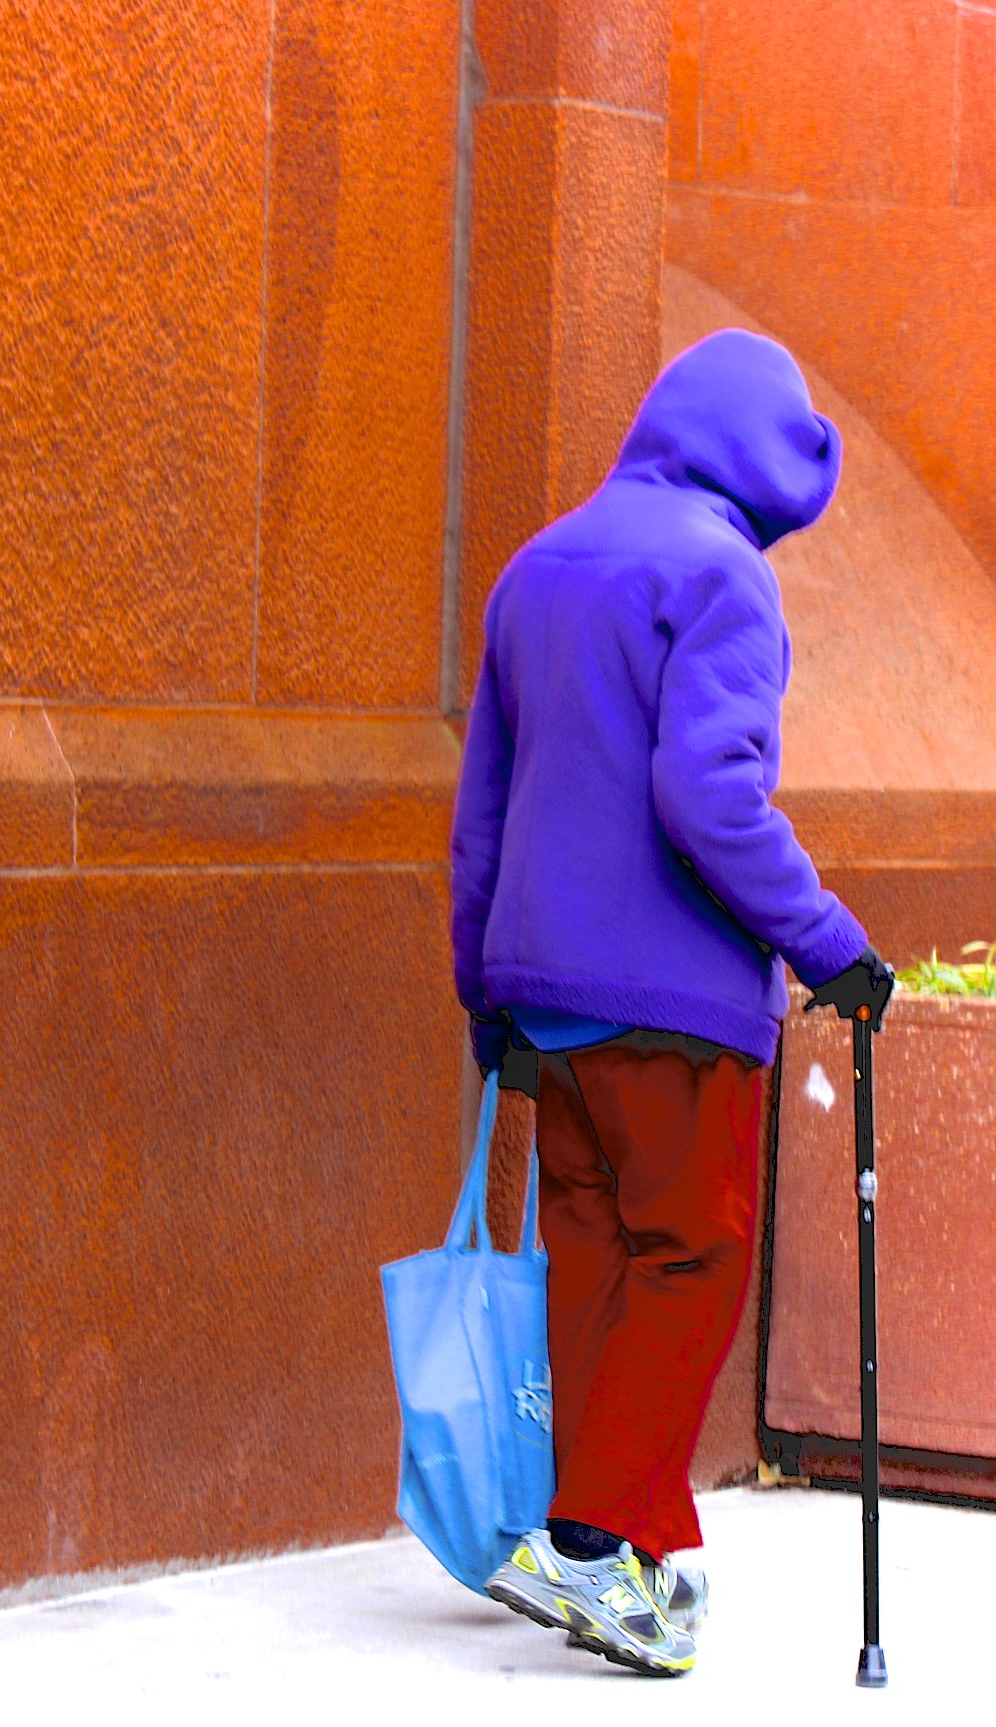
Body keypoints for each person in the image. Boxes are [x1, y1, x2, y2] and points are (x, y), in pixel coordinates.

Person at [448, 328, 895, 1677]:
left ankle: (614, 1548)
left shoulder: (536, 568)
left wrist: (485, 996)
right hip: (670, 999)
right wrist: (827, 943)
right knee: (691, 1252)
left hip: (544, 995)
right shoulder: (719, 578)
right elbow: (706, 795)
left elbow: (480, 817)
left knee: (591, 1258)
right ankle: (590, 1545)